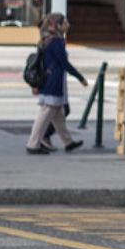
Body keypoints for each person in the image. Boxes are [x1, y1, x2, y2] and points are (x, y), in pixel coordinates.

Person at [25, 12, 87, 154]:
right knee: (45, 115)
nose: (68, 25)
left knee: (58, 115)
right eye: (65, 23)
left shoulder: (46, 39)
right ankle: (33, 144)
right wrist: (80, 77)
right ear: (57, 25)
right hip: (53, 83)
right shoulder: (56, 42)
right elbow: (64, 63)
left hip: (47, 81)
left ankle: (68, 142)